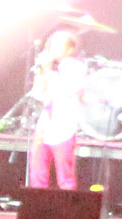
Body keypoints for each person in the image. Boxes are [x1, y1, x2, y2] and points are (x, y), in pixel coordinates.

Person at [25, 28, 87, 191]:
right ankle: (36, 203)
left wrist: (48, 71)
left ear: (70, 49)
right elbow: (39, 95)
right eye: (52, 45)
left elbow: (63, 92)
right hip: (45, 124)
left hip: (64, 126)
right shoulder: (48, 68)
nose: (53, 49)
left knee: (65, 176)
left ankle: (67, 205)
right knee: (37, 172)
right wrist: (42, 73)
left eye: (59, 45)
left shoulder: (76, 68)